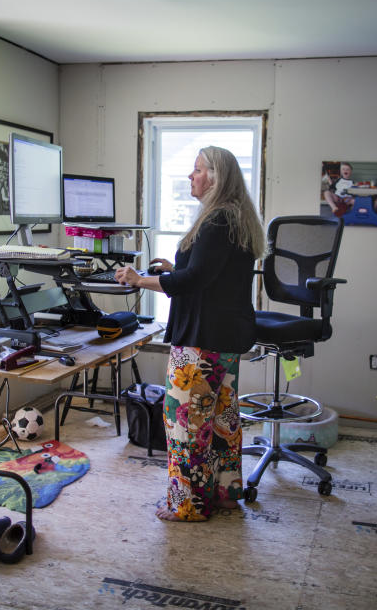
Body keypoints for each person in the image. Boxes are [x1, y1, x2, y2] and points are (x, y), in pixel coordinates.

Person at [115, 146, 265, 522]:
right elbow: (211, 272)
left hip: (201, 341)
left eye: (197, 170)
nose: (190, 177)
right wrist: (173, 265)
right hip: (226, 338)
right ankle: (227, 493)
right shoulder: (234, 218)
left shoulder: (216, 221)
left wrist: (140, 279)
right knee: (221, 421)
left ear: (214, 177)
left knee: (185, 424)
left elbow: (195, 280)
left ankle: (189, 505)